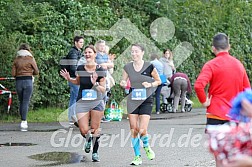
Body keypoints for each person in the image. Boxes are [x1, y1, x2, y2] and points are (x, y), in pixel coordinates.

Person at [194, 33, 251, 167]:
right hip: (235, 115)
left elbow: (198, 85)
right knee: (236, 153)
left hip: (215, 113)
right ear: (229, 46)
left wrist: (204, 101)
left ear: (213, 48)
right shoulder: (239, 65)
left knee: (219, 154)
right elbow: (247, 91)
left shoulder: (211, 65)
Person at [60, 45, 106, 162]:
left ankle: (95, 152)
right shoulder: (80, 68)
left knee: (95, 129)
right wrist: (69, 79)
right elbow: (78, 82)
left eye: (90, 52)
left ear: (95, 54)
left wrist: (95, 84)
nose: (87, 54)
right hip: (83, 101)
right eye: (85, 53)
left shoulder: (100, 70)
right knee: (83, 130)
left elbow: (103, 89)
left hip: (96, 102)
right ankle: (88, 139)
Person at [120, 44, 161, 166]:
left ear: (142, 52)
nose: (134, 54)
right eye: (132, 52)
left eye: (136, 52)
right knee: (134, 129)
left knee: (142, 130)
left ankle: (147, 147)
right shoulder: (127, 67)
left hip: (146, 100)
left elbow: (159, 81)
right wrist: (123, 83)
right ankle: (137, 156)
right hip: (132, 99)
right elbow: (123, 81)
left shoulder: (149, 66)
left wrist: (151, 85)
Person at [11, 43, 39, 131]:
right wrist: (30, 73)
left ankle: (22, 119)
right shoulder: (31, 59)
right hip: (28, 81)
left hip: (18, 81)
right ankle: (24, 121)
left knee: (21, 101)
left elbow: (13, 74)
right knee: (26, 101)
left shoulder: (16, 60)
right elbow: (37, 71)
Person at [67, 36, 84, 125]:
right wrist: (79, 73)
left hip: (75, 77)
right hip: (74, 77)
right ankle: (72, 117)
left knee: (74, 97)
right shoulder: (73, 53)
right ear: (75, 42)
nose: (82, 44)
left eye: (82, 42)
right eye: (80, 42)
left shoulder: (77, 52)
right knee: (75, 97)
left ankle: (72, 116)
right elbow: (73, 67)